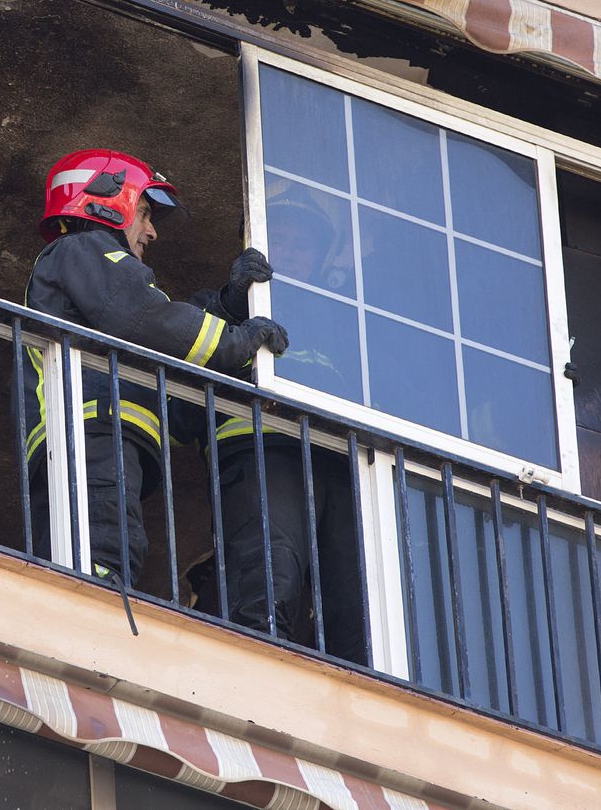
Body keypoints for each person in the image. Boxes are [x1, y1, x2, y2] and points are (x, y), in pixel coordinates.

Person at [20, 148, 289, 585]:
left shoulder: (93, 283)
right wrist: (234, 342)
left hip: (101, 440)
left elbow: (173, 384)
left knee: (115, 556)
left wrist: (229, 306)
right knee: (100, 566)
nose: (151, 232)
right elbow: (148, 319)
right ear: (105, 200)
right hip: (89, 439)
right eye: (143, 213)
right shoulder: (80, 250)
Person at [209, 180, 366, 663]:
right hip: (263, 451)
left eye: (305, 243)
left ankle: (364, 681)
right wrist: (233, 305)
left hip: (343, 464)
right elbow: (184, 359)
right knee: (270, 568)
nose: (293, 252)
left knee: (355, 591)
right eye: (282, 241)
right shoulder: (221, 306)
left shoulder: (345, 321)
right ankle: (261, 662)